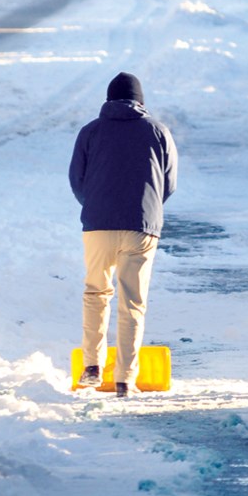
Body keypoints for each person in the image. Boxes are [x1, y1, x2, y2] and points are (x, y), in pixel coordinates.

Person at [69, 72, 178, 398]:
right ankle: (124, 380)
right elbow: (168, 182)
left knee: (96, 293)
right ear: (140, 102)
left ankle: (92, 366)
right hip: (141, 227)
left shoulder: (90, 131)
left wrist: (96, 205)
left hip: (98, 226)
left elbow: (77, 179)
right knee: (133, 302)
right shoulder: (157, 131)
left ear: (108, 100)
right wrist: (147, 208)